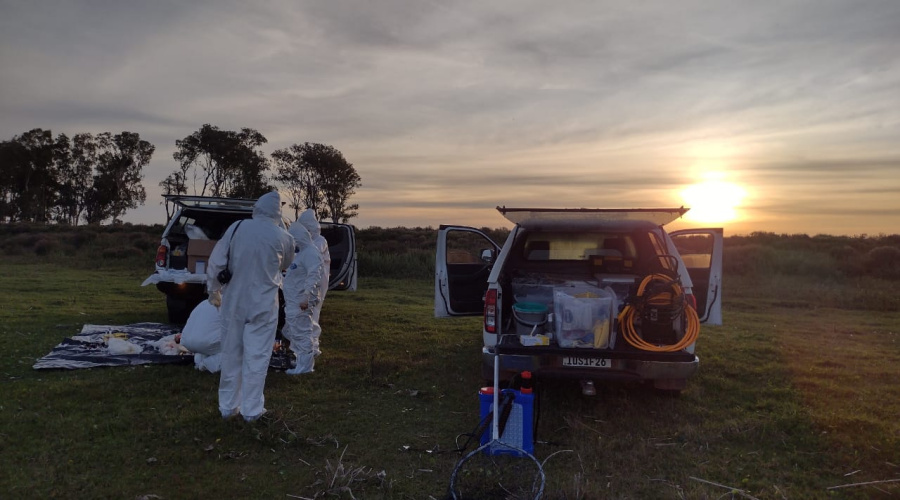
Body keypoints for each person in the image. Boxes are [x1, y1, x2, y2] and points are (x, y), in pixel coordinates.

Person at [206, 191, 295, 422]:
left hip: (234, 300)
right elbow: (287, 262)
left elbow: (216, 262)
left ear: (256, 208)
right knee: (258, 355)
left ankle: (228, 408)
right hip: (264, 303)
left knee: (230, 354)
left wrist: (213, 289)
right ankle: (252, 411)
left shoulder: (237, 227)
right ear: (278, 212)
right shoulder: (284, 237)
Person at [281, 223, 325, 374]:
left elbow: (314, 275)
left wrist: (306, 296)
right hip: (295, 300)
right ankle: (301, 361)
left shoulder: (311, 253)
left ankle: (305, 367)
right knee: (296, 331)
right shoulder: (302, 253)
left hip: (301, 301)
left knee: (302, 331)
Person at [297, 209, 331, 348]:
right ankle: (304, 338)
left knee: (314, 309)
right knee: (304, 310)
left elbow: (311, 254)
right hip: (309, 279)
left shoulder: (320, 241)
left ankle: (313, 342)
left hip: (318, 280)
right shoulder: (307, 242)